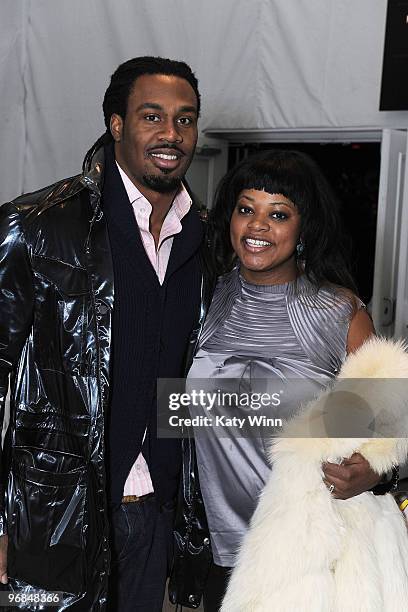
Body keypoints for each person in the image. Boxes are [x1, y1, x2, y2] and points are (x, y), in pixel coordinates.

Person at [0, 56, 205, 611]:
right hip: (55, 509)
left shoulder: (205, 239)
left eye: (185, 120)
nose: (171, 134)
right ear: (117, 124)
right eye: (152, 116)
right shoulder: (39, 225)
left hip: (157, 509)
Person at [171, 150, 399, 612]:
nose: (257, 226)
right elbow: (172, 410)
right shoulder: (200, 298)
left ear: (303, 230)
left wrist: (375, 470)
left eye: (278, 214)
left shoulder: (339, 313)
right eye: (245, 209)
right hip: (214, 549)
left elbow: (392, 426)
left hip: (309, 557)